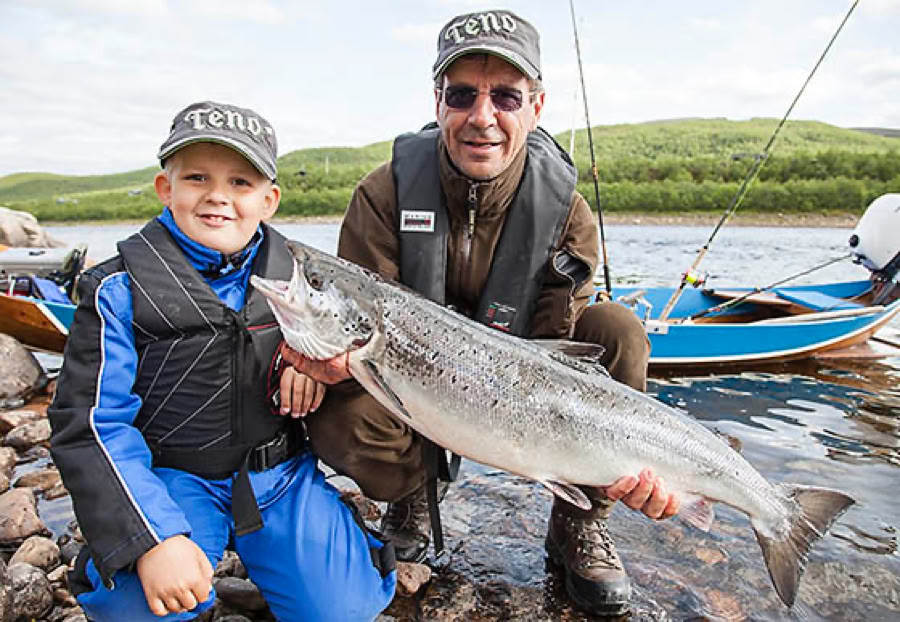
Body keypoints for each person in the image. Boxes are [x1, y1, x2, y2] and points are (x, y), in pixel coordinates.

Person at [280, 9, 680, 617]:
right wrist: (308, 357)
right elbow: (352, 314)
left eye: (506, 97)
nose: (482, 117)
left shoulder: (566, 211)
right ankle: (411, 491)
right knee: (337, 397)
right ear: (437, 101)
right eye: (462, 94)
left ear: (537, 106)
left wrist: (602, 459)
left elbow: (560, 340)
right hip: (413, 374)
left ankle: (580, 518)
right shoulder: (382, 193)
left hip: (517, 379)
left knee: (617, 331)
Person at [48, 101, 396, 622]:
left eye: (240, 182)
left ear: (269, 200)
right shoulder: (115, 290)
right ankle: (125, 552)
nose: (217, 196)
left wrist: (311, 366)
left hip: (280, 476)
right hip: (171, 481)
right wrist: (152, 539)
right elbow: (90, 423)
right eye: (196, 177)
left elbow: (362, 361)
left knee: (345, 610)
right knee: (143, 610)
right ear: (166, 189)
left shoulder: (308, 280)